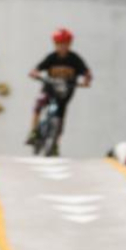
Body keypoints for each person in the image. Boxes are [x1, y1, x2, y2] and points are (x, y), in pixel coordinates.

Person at [26, 28, 92, 156]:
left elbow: (86, 72)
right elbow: (38, 68)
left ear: (69, 44)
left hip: (65, 92)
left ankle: (55, 144)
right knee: (39, 103)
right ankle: (33, 132)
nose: (62, 47)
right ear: (55, 44)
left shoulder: (74, 59)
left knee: (60, 119)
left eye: (65, 44)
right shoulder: (52, 57)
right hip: (49, 89)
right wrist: (35, 73)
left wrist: (86, 80)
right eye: (59, 44)